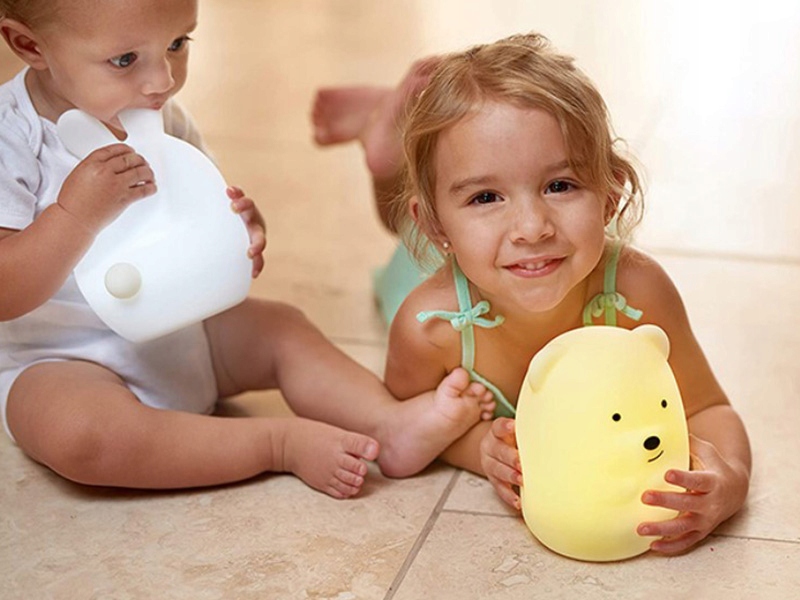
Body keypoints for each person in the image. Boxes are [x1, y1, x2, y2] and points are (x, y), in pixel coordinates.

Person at [0, 0, 497, 499]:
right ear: (29, 45)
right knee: (82, 437)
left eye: (177, 44)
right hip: (60, 361)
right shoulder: (11, 139)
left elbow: (194, 216)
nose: (162, 81)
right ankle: (273, 444)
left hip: (186, 332)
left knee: (282, 329)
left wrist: (239, 232)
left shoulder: (160, 118)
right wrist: (74, 215)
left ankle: (388, 423)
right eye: (125, 59)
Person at [312, 33, 751, 555]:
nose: (531, 227)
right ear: (439, 227)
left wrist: (730, 480)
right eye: (486, 196)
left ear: (609, 195)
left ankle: (399, 143)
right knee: (397, 230)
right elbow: (409, 421)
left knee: (439, 205)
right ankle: (382, 142)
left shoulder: (637, 292)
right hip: (423, 271)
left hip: (480, 252)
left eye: (560, 186)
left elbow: (708, 406)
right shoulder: (431, 325)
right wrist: (480, 448)